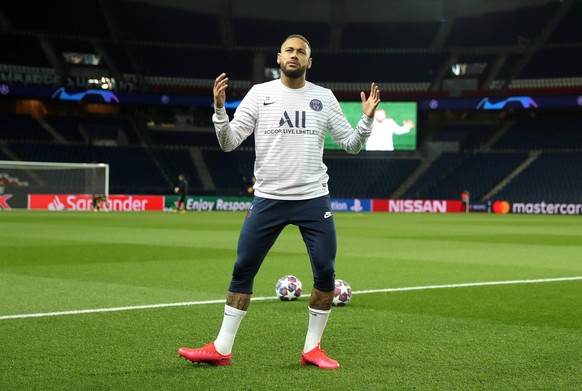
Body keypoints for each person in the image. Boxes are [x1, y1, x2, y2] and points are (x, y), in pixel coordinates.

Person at [178, 34, 380, 370]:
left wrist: (367, 119)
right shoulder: (260, 94)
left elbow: (351, 144)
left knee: (325, 272)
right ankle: (221, 348)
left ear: (309, 61)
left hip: (313, 199)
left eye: (302, 52)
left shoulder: (324, 98)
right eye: (290, 50)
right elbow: (229, 142)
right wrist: (218, 109)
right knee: (243, 269)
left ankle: (312, 349)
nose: (295, 55)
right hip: (268, 198)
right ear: (279, 57)